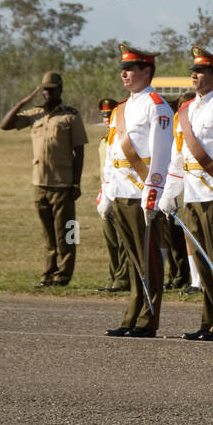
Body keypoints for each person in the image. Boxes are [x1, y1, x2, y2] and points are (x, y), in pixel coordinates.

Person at [158, 47, 213, 341]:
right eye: (193, 71)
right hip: (193, 193)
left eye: (201, 71)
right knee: (203, 260)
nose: (194, 76)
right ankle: (209, 320)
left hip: (212, 193)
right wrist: (171, 192)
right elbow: (178, 155)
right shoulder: (189, 109)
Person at [96, 45, 173, 337]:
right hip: (121, 191)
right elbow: (111, 156)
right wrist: (106, 192)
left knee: (147, 258)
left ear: (146, 71)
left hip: (142, 193)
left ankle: (147, 319)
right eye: (122, 69)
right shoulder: (120, 110)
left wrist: (153, 194)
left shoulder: (157, 105)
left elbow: (161, 154)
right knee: (132, 259)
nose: (123, 74)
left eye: (130, 69)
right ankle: (131, 316)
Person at [0, 70, 88, 287]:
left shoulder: (70, 116)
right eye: (44, 90)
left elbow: (79, 152)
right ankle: (48, 273)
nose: (47, 94)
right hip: (39, 183)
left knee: (66, 232)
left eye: (52, 90)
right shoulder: (34, 114)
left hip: (63, 184)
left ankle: (63, 275)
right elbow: (5, 125)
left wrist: (76, 184)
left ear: (60, 90)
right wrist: (22, 102)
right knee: (48, 234)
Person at [93, 99, 130, 292]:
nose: (106, 119)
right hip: (106, 192)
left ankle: (124, 278)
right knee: (110, 239)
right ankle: (114, 276)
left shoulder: (123, 138)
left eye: (109, 115)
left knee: (123, 239)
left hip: (122, 191)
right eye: (104, 116)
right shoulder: (104, 141)